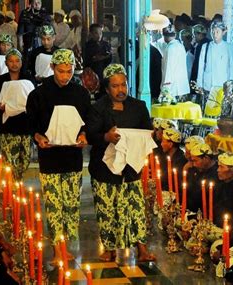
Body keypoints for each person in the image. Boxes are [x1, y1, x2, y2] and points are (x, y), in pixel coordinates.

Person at [86, 63, 156, 262]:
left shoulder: (139, 107)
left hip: (131, 168)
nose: (121, 90)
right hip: (104, 169)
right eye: (115, 86)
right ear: (107, 89)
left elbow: (147, 131)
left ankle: (141, 249)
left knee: (135, 209)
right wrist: (106, 137)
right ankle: (109, 248)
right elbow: (91, 135)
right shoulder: (98, 108)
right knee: (107, 209)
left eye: (123, 85)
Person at [26, 49, 90, 263]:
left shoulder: (80, 93)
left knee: (71, 204)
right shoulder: (39, 94)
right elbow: (31, 124)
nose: (65, 76)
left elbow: (88, 121)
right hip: (50, 158)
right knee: (54, 205)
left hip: (73, 157)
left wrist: (83, 134)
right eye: (61, 71)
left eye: (69, 71)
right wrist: (37, 136)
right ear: (52, 68)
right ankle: (56, 248)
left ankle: (68, 245)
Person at [0, 48, 35, 180]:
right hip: (8, 126)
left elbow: (33, 99)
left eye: (17, 61)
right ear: (6, 63)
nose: (14, 64)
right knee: (9, 161)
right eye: (11, 61)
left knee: (25, 159)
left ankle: (18, 181)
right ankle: (11, 188)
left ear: (21, 63)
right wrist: (5, 107)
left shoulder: (28, 78)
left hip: (25, 125)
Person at [196, 21, 233, 92]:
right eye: (213, 32)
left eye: (217, 32)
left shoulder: (229, 47)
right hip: (208, 85)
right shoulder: (206, 46)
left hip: (223, 84)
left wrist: (230, 85)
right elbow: (201, 66)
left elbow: (232, 68)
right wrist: (199, 84)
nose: (215, 35)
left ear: (223, 32)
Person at [156, 25, 190, 98]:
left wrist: (165, 89)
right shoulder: (180, 46)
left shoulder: (170, 48)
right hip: (181, 88)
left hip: (173, 89)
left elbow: (168, 69)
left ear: (164, 35)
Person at [186, 143, 218, 214]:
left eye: (195, 161)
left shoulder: (217, 175)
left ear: (206, 158)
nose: (193, 164)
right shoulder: (197, 169)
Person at [158, 128, 187, 193]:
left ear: (170, 144)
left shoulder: (181, 160)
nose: (161, 144)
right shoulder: (163, 155)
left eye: (163, 141)